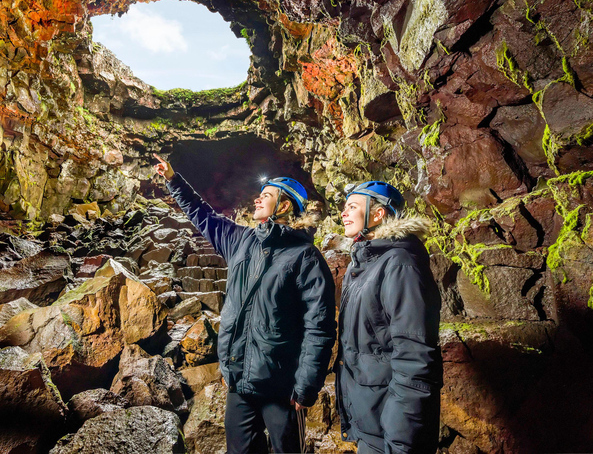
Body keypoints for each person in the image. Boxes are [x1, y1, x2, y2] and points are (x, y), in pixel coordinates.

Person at [153, 154, 336, 454]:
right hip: (239, 383)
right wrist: (174, 179)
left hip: (282, 387)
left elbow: (320, 327)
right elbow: (202, 215)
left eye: (266, 196)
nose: (256, 200)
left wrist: (306, 386)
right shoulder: (241, 241)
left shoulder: (305, 258)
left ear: (285, 205)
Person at [335, 181, 443, 454]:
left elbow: (414, 357)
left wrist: (401, 441)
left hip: (390, 429)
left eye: (352, 206)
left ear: (377, 214)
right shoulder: (362, 266)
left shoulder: (400, 264)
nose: (343, 214)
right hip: (370, 419)